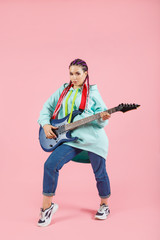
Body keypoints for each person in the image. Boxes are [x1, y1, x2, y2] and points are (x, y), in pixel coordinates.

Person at [37, 58, 111, 227]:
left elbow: (101, 121)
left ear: (86, 74)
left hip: (94, 140)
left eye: (78, 73)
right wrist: (46, 124)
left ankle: (104, 205)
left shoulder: (93, 93)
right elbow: (46, 108)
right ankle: (47, 208)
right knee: (50, 165)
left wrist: (103, 118)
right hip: (71, 139)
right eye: (71, 73)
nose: (74, 77)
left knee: (100, 174)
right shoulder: (64, 90)